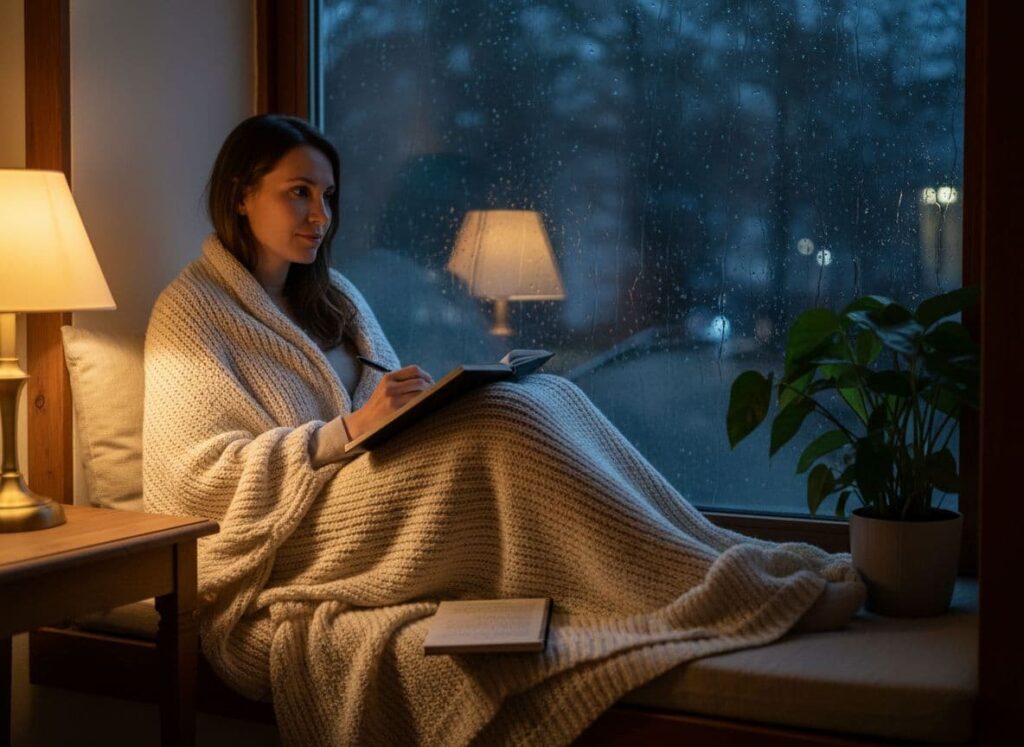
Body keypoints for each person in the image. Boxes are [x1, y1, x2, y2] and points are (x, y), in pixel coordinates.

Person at [143, 114, 864, 747]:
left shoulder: (335, 297)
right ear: (240, 192)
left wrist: (412, 406)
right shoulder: (192, 312)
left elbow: (378, 403)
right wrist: (345, 431)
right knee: (507, 417)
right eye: (296, 191)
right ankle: (705, 586)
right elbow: (192, 480)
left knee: (544, 391)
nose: (319, 214)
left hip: (364, 482)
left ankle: (718, 553)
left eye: (326, 195)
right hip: (293, 534)